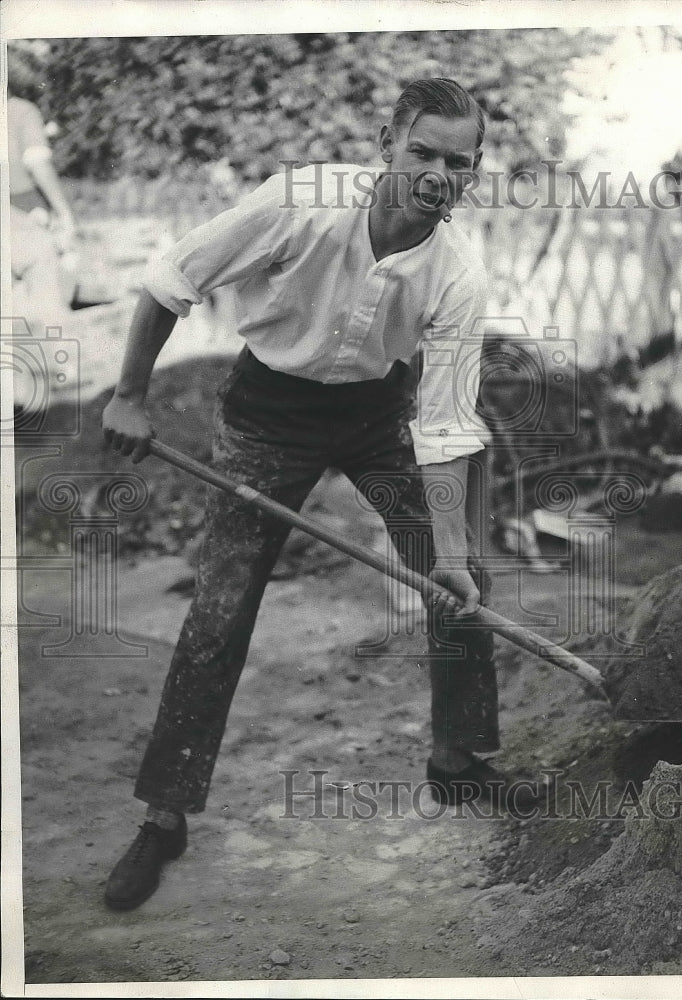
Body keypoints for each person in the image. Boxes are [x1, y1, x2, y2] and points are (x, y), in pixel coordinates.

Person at [102, 78, 545, 912]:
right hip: (268, 413)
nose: (436, 176)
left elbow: (445, 423)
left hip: (379, 415)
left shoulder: (456, 273)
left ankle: (457, 760)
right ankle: (164, 815)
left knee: (462, 583)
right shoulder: (299, 202)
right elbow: (171, 280)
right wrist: (128, 394)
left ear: (474, 171)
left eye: (457, 163)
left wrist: (449, 555)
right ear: (386, 144)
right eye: (421, 153)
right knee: (221, 609)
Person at [8, 48, 79, 325]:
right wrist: (64, 213)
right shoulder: (21, 111)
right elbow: (37, 163)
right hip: (20, 214)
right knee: (47, 311)